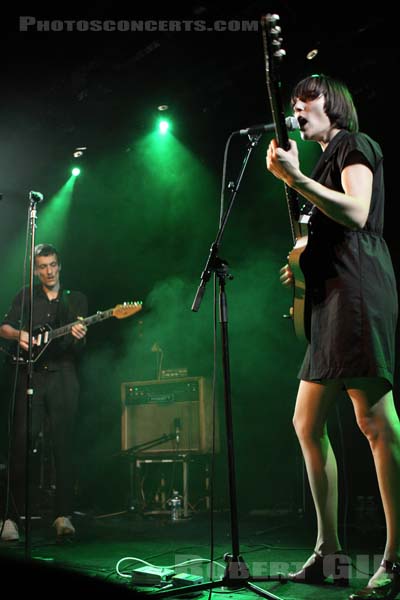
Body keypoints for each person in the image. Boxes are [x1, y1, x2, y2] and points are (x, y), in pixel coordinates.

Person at [266, 74, 399, 600]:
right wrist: (302, 262)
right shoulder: (322, 159)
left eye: (308, 98)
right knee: (306, 422)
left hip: (359, 290)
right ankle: (329, 553)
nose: (298, 108)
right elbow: (325, 229)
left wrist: (296, 179)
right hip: (329, 297)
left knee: (374, 422)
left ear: (335, 104)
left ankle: (394, 556)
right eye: (294, 102)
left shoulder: (354, 144)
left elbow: (359, 212)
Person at [0, 243, 88, 541]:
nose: (48, 271)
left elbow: (79, 341)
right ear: (36, 270)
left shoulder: (75, 299)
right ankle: (10, 518)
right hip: (30, 376)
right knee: (20, 444)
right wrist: (21, 333)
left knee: (63, 445)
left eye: (52, 265)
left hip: (63, 375)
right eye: (42, 266)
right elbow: (4, 328)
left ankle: (63, 515)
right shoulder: (25, 295)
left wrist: (78, 333)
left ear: (59, 266)